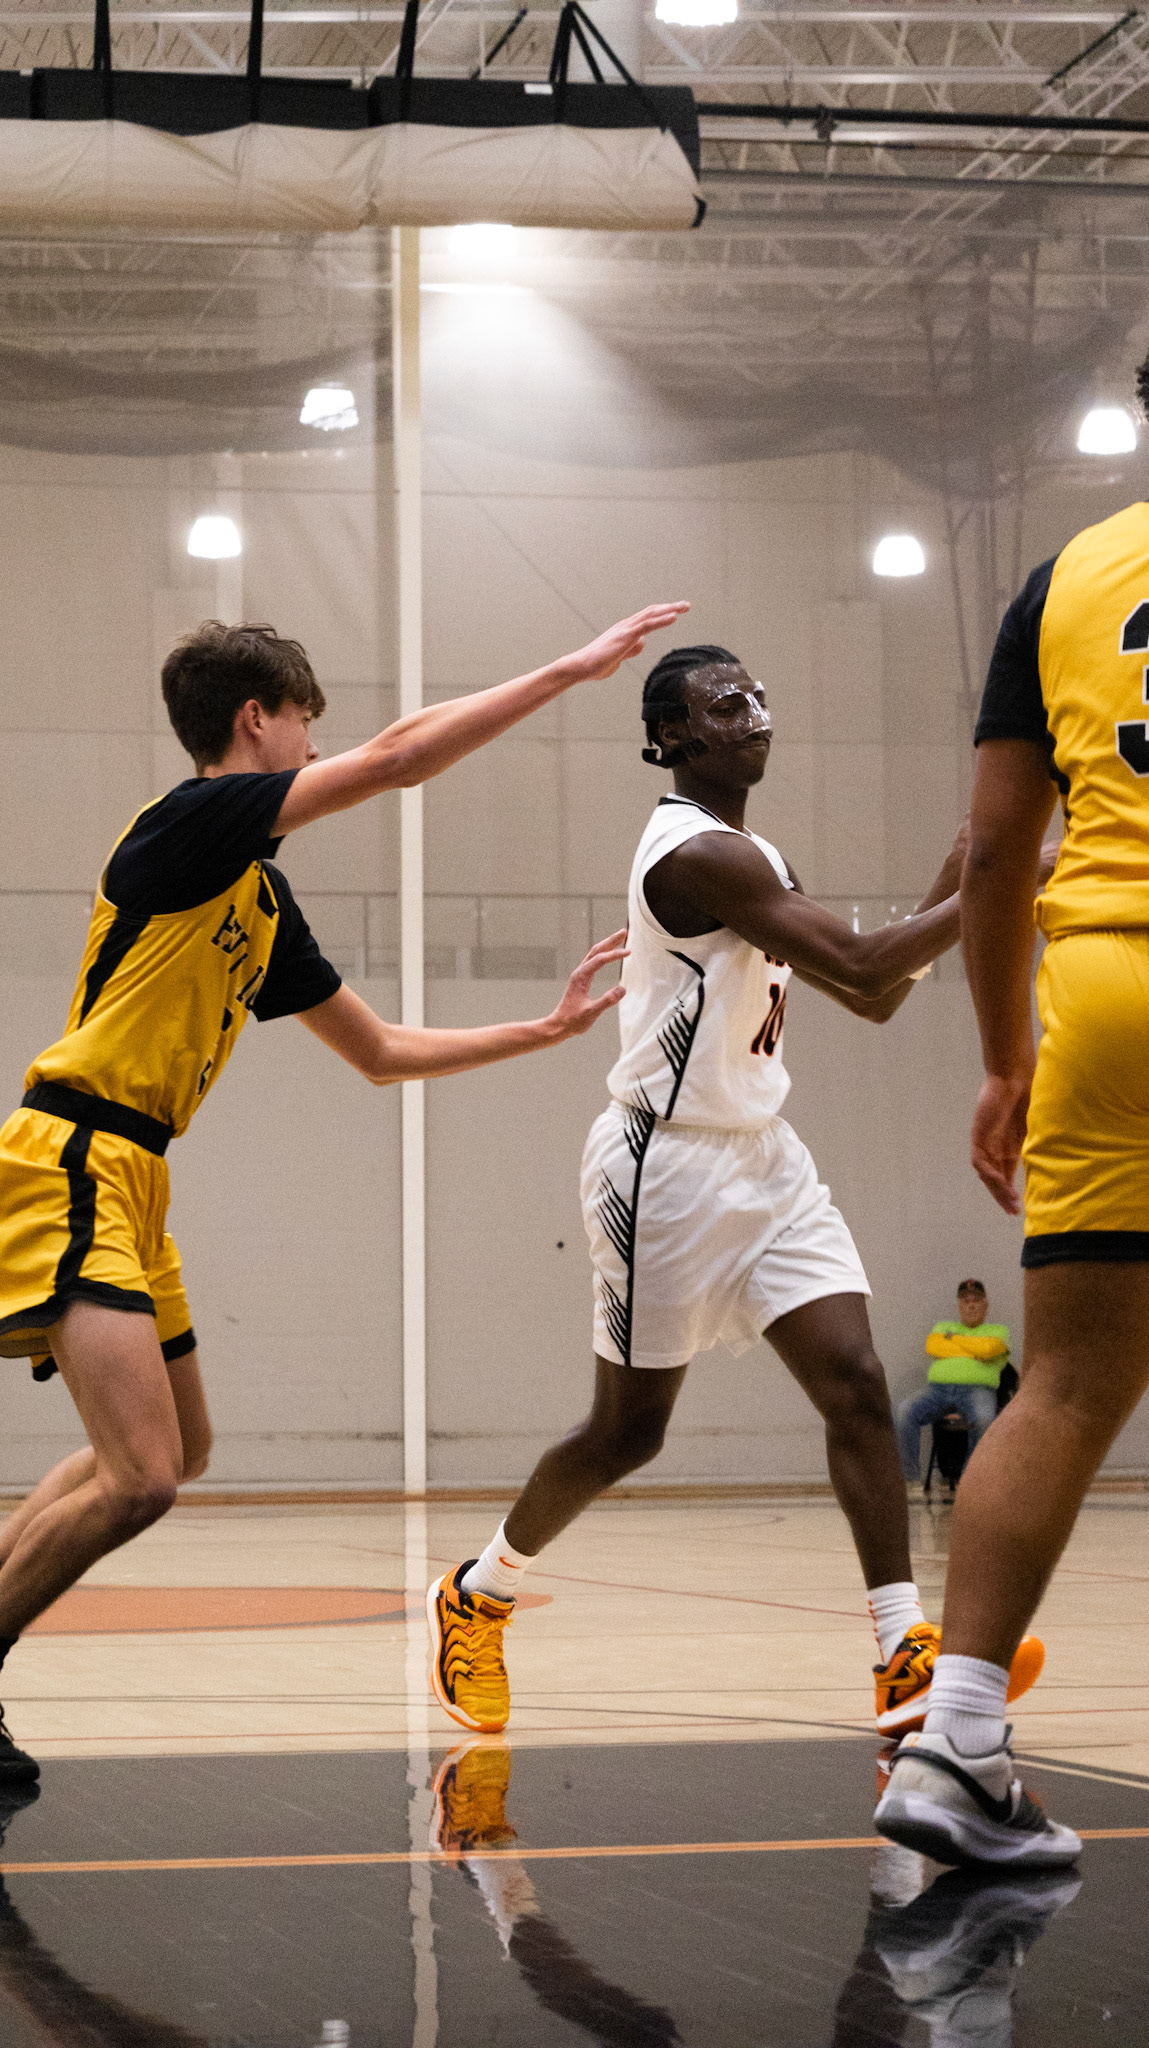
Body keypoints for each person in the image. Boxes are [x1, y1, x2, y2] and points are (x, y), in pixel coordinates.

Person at [0, 600, 689, 1782]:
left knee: (178, 1449)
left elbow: (377, 1051)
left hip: (136, 1174)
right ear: (254, 719)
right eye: (305, 721)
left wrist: (539, 1029)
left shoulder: (259, 903)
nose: (317, 744)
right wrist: (567, 670)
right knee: (142, 1475)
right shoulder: (187, 826)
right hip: (70, 1153)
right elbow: (400, 758)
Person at [428, 644, 1043, 1740]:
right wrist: (994, 878)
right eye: (725, 704)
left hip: (765, 1155)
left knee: (856, 1382)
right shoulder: (696, 853)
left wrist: (958, 878)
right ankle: (479, 1592)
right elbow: (867, 966)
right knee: (627, 1434)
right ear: (672, 738)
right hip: (662, 1167)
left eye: (758, 694)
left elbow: (872, 995)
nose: (754, 712)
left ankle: (899, 1650)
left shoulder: (755, 854)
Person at [874, 432, 1149, 1865]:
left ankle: (957, 1742)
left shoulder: (1066, 581)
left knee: (1064, 1385)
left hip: (1101, 994)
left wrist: (1001, 1060)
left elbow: (990, 854)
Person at [896, 1280, 1011, 1487]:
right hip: (937, 1391)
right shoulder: (943, 1327)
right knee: (904, 1411)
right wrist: (974, 1351)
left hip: (978, 1391)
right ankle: (910, 1478)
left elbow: (988, 1350)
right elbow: (933, 1346)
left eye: (976, 1300)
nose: (971, 1305)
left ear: (985, 1305)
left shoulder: (999, 1331)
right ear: (959, 1305)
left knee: (985, 1419)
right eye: (965, 1300)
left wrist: (953, 1341)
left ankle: (971, 1480)